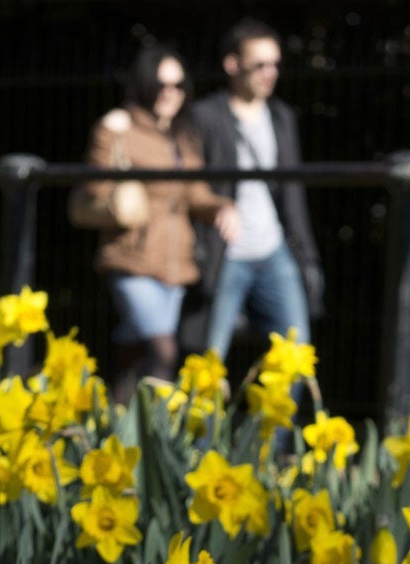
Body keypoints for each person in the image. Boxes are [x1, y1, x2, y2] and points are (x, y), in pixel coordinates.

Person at [76, 45, 241, 404]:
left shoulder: (184, 137)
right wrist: (112, 135)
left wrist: (222, 208)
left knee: (137, 353)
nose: (171, 93)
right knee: (163, 352)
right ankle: (155, 441)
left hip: (176, 264)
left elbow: (197, 194)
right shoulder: (120, 126)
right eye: (162, 84)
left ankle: (111, 431)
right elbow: (93, 186)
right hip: (131, 258)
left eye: (178, 85)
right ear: (144, 85)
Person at [188, 18, 324, 365]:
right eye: (260, 64)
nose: (270, 73)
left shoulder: (282, 117)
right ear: (232, 64)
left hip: (274, 250)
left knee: (295, 356)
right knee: (209, 362)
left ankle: (276, 422)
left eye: (275, 64)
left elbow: (293, 196)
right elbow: (189, 185)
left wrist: (305, 256)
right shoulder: (205, 116)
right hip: (227, 253)